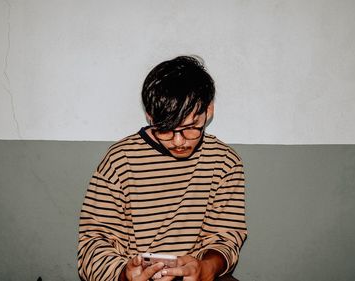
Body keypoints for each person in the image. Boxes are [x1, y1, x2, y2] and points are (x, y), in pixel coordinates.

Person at [78, 56, 247, 281]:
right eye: (166, 130)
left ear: (209, 111)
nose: (179, 141)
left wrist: (205, 268)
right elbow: (93, 244)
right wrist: (124, 275)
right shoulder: (119, 161)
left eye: (190, 128)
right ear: (150, 116)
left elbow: (225, 238)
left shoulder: (225, 162)